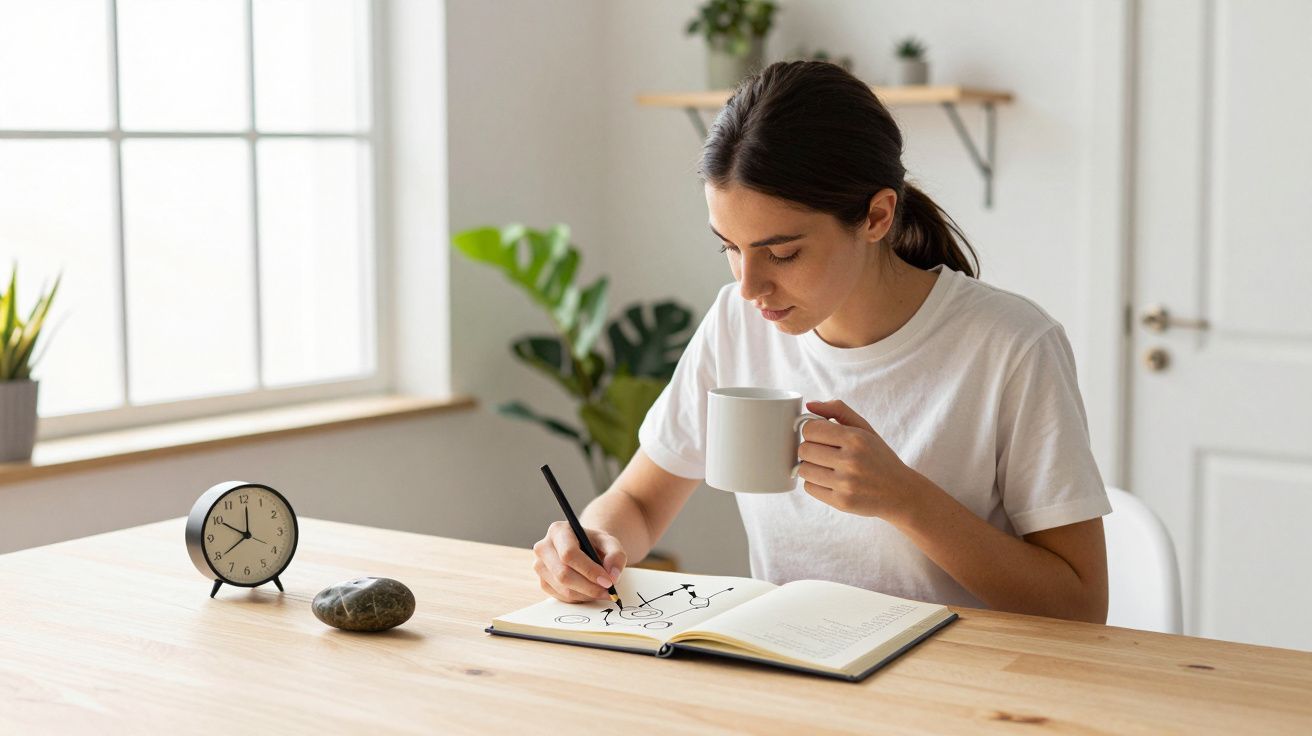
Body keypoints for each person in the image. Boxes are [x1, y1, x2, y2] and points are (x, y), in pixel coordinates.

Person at [531, 61, 1111, 623]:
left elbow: (1079, 607)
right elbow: (638, 501)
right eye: (729, 247)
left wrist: (907, 500)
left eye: (783, 253)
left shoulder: (1012, 346)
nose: (749, 286)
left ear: (877, 216)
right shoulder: (737, 322)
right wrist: (592, 544)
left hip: (962, 690)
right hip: (793, 678)